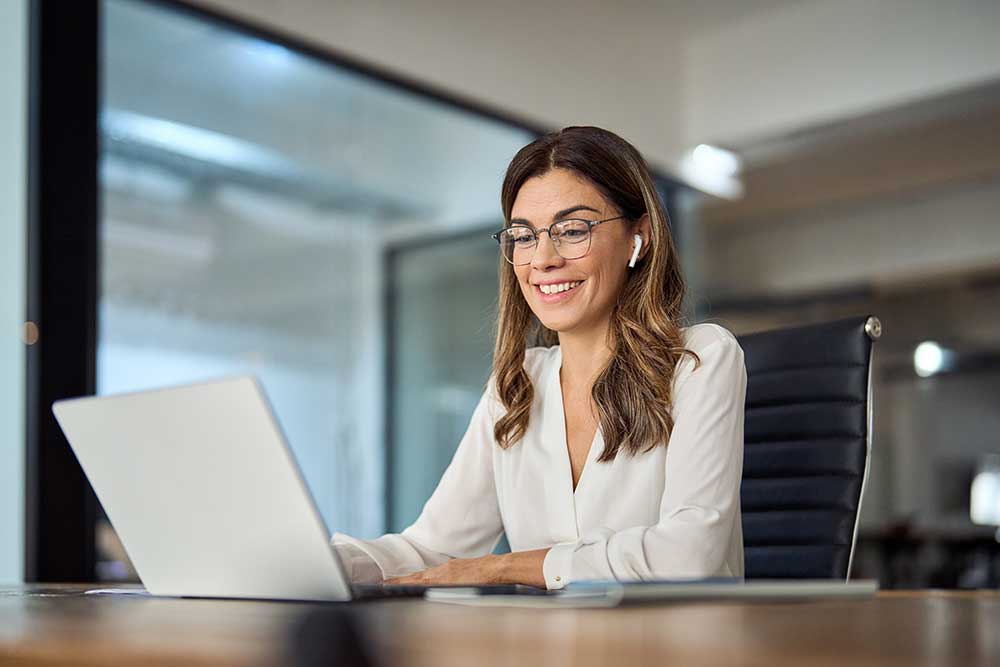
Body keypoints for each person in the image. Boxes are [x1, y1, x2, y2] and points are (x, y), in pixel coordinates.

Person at [333, 126, 746, 590]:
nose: (543, 259)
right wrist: (319, 560)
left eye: (573, 230)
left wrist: (501, 566)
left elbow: (689, 556)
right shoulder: (516, 386)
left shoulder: (700, 358)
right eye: (524, 236)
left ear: (639, 238)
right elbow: (433, 548)